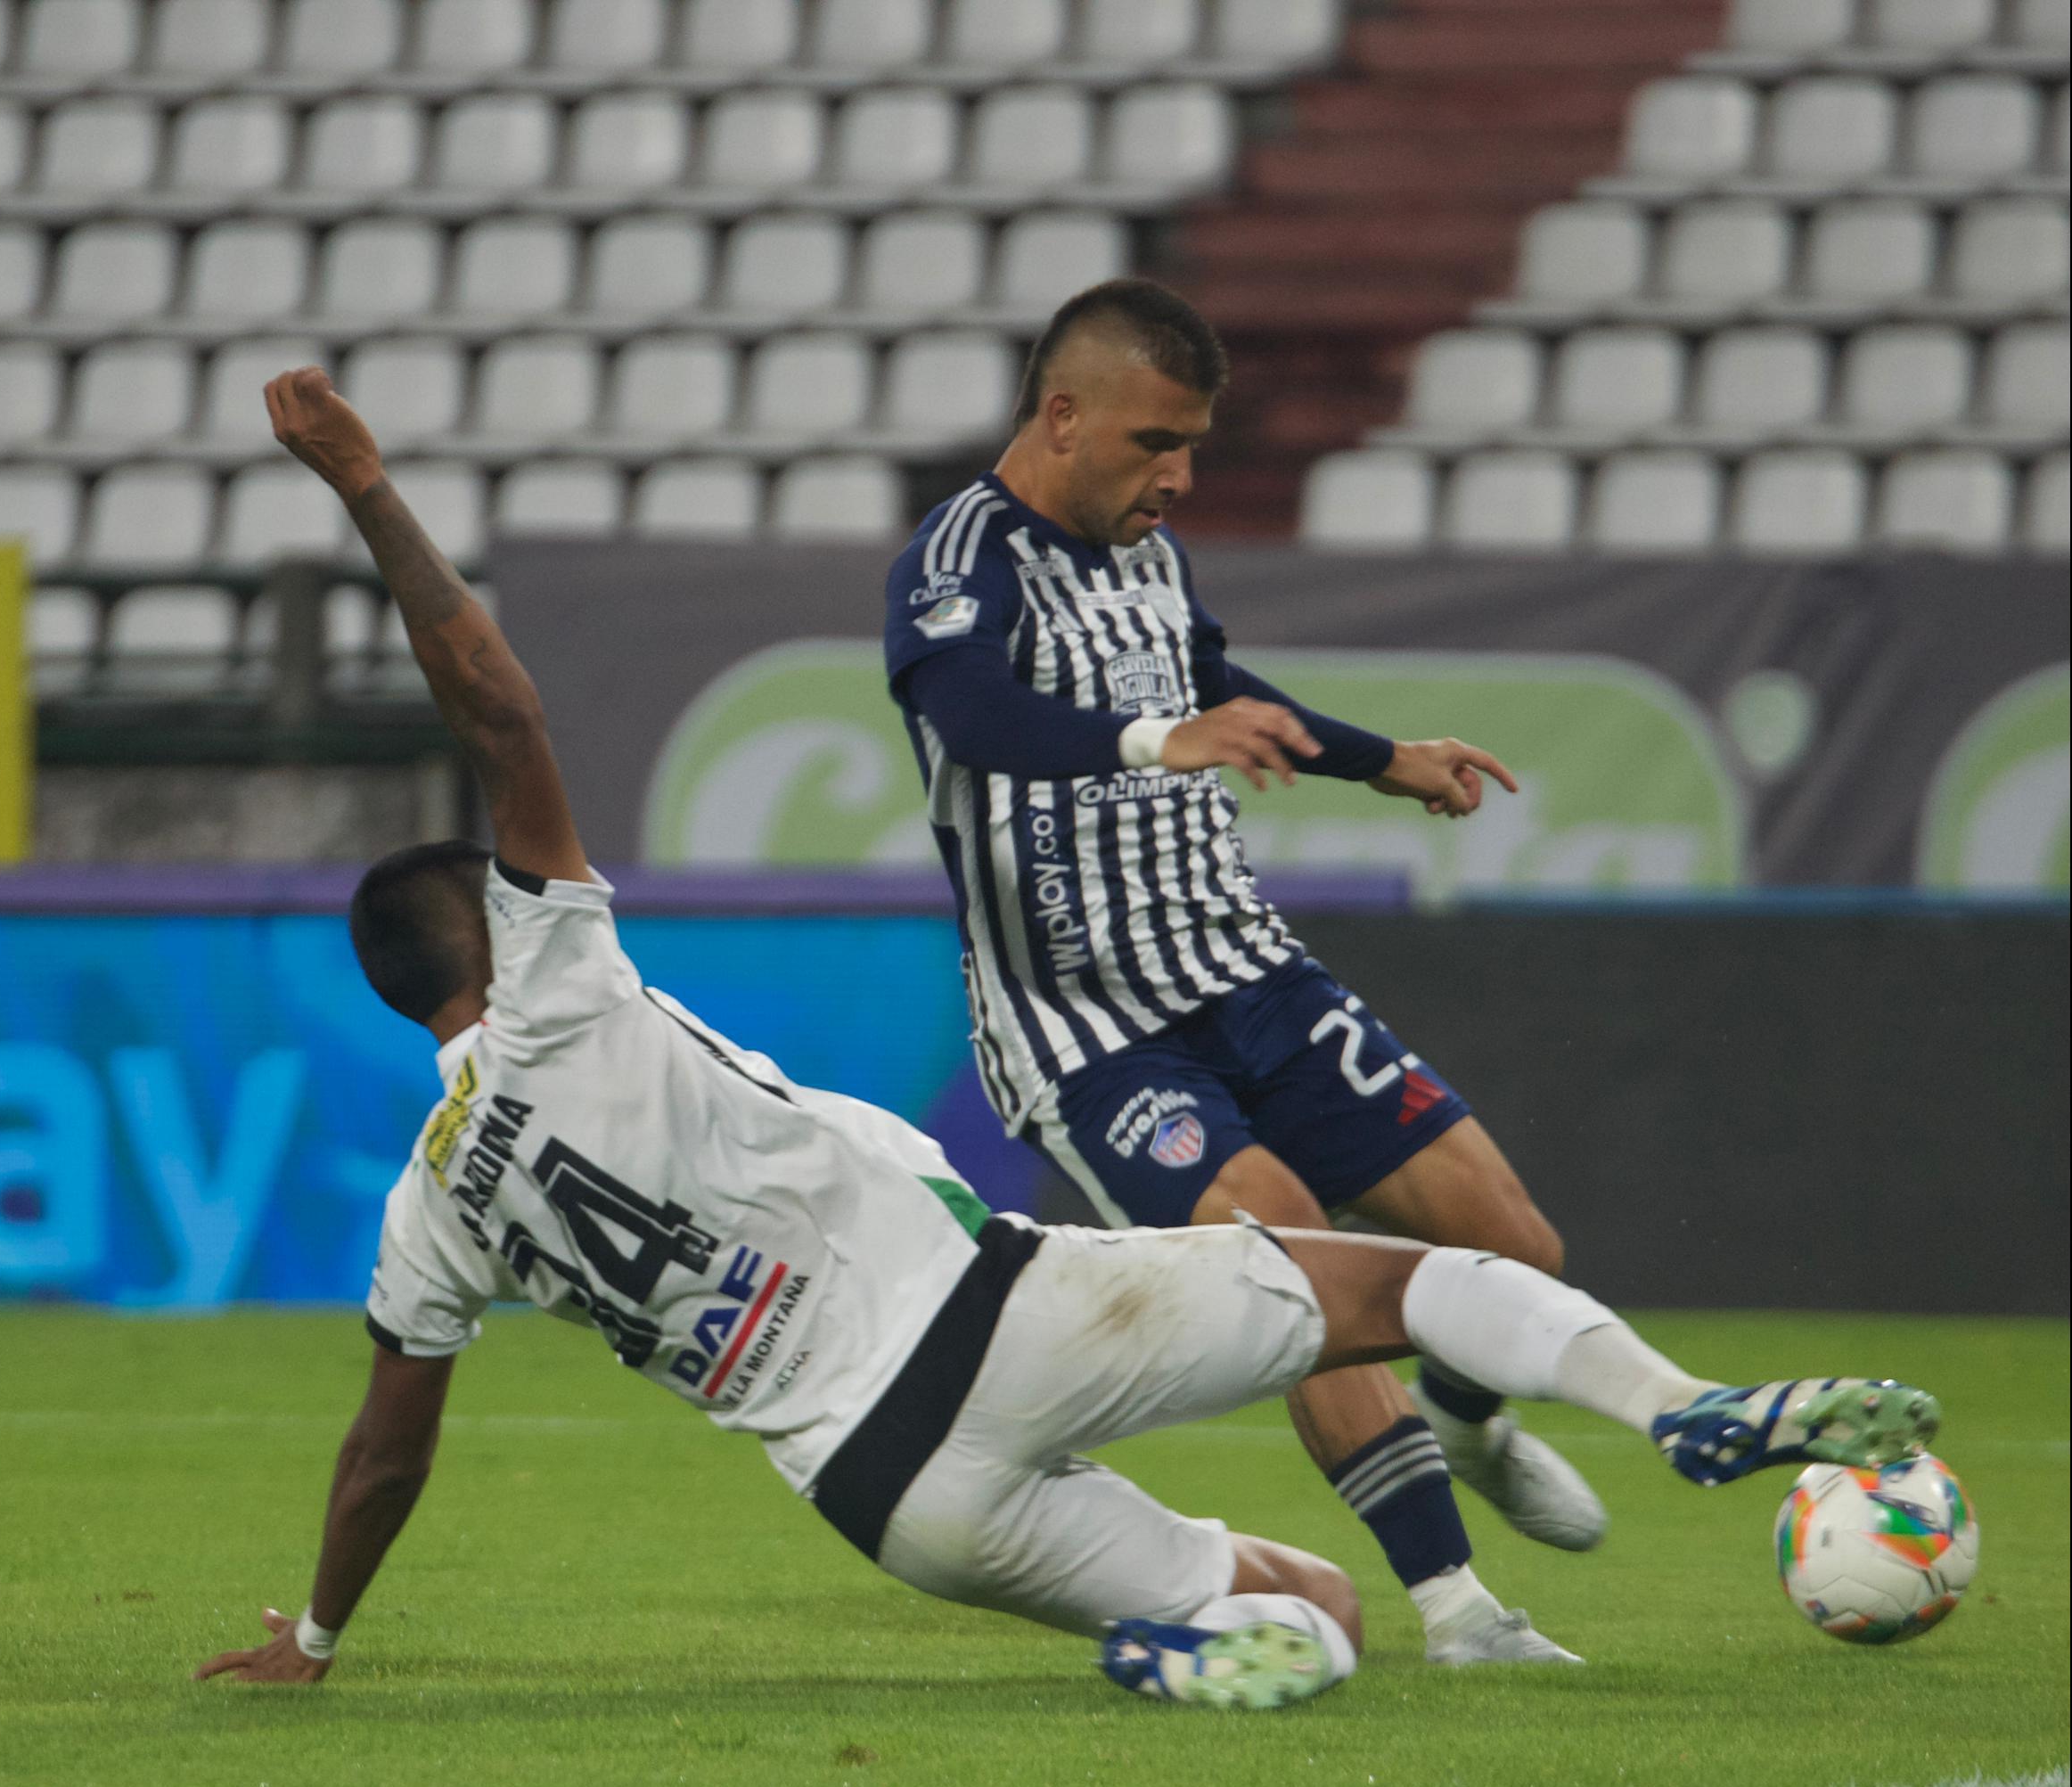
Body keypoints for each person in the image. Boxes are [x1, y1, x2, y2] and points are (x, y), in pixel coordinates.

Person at [192, 367, 1941, 1709]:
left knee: (1306, 1621)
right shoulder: (559, 977)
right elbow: (494, 703)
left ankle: (1212, 1645)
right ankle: (1685, 1408)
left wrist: (321, 1630)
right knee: (1402, 1282)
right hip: (983, 1324)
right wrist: (364, 483)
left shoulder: (429, 1205)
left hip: (878, 1495)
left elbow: (386, 1447)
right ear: (491, 934)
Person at [880, 277, 1601, 1664]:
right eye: (1156, 442)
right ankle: (1461, 1612)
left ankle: (1471, 1413)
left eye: (1193, 444)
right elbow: (973, 716)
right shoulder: (956, 556)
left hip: (1244, 965)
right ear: (1064, 412)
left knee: (1518, 1248)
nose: (1180, 475)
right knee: (1289, 1258)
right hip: (1086, 1025)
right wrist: (1161, 741)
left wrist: (1383, 757)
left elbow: (1210, 674)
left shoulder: (1151, 547)